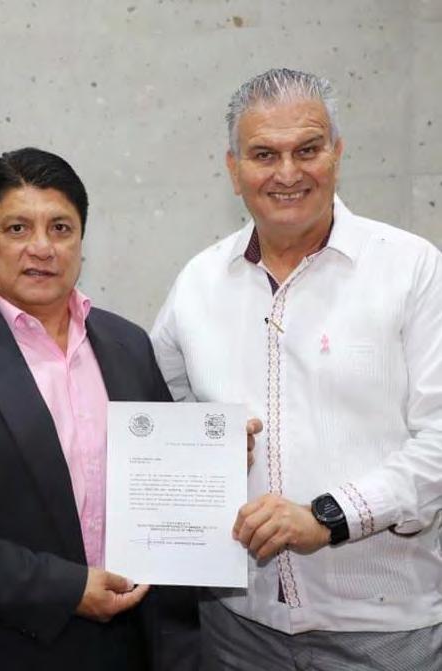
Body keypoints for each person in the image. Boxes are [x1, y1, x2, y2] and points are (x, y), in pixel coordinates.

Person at [151, 68, 442, 669]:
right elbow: (160, 407)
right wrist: (203, 447)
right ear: (233, 169)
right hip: (238, 624)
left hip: (382, 627)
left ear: (337, 153)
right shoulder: (198, 282)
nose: (287, 173)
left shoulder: (413, 269)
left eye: (307, 150)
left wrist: (331, 515)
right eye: (264, 155)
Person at [0, 147, 202, 670]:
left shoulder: (128, 345)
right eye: (18, 228)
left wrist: (211, 460)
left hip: (132, 645)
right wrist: (65, 589)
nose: (42, 248)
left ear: (81, 242)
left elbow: (160, 486)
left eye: (61, 228)